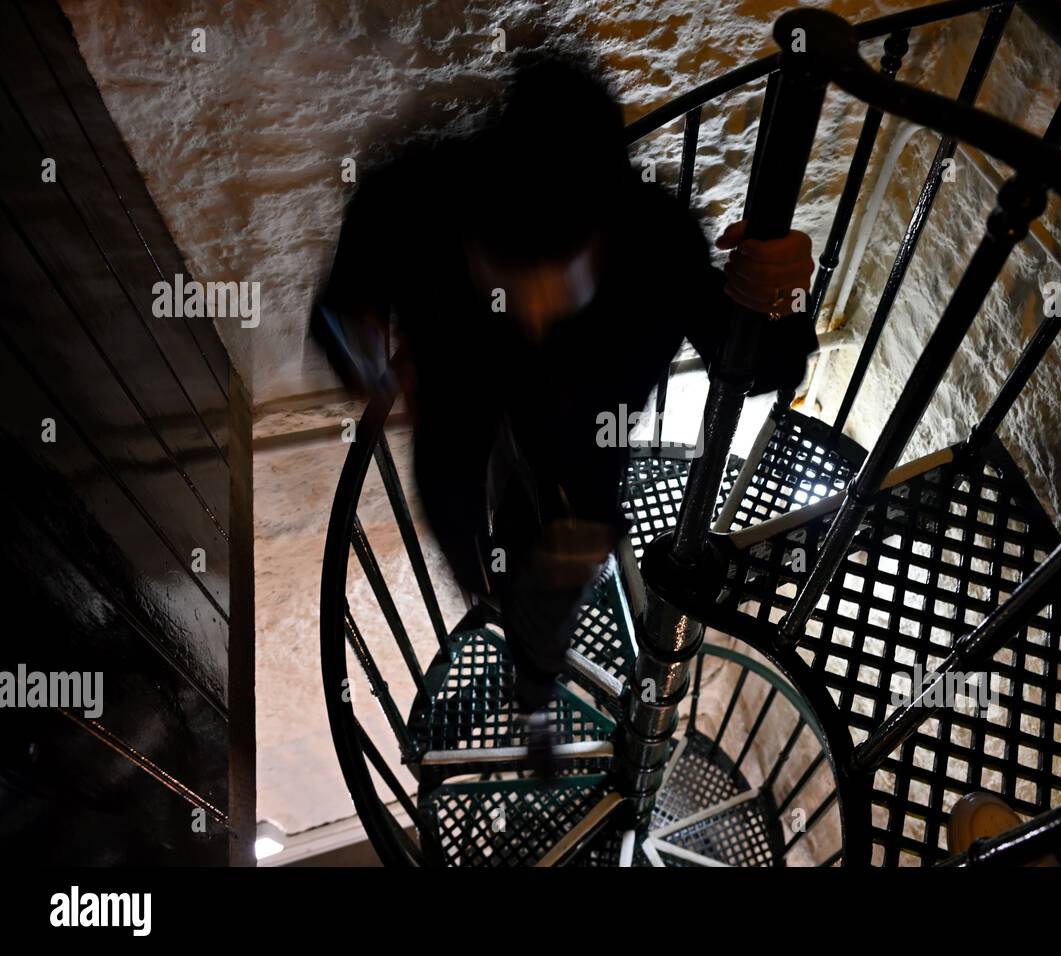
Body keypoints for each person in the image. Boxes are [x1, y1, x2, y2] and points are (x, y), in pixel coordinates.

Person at [311, 51, 816, 775]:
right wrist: (367, 361)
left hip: (579, 459)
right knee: (482, 568)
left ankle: (536, 693)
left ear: (606, 232)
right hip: (462, 430)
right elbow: (335, 315)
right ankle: (505, 626)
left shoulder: (659, 243)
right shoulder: (409, 200)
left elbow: (768, 366)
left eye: (563, 279)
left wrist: (788, 290)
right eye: (511, 276)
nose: (536, 309)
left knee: (551, 586)